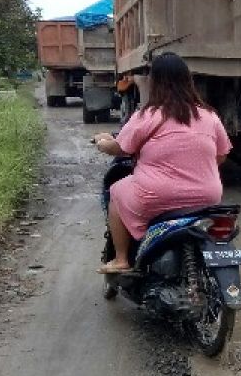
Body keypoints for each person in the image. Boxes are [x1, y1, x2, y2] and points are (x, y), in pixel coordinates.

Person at [92, 53, 232, 273]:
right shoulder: (209, 116)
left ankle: (120, 260)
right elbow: (221, 155)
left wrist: (102, 144)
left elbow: (120, 148)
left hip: (157, 195)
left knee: (117, 191)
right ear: (188, 80)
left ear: (154, 81)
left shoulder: (147, 115)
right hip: (207, 197)